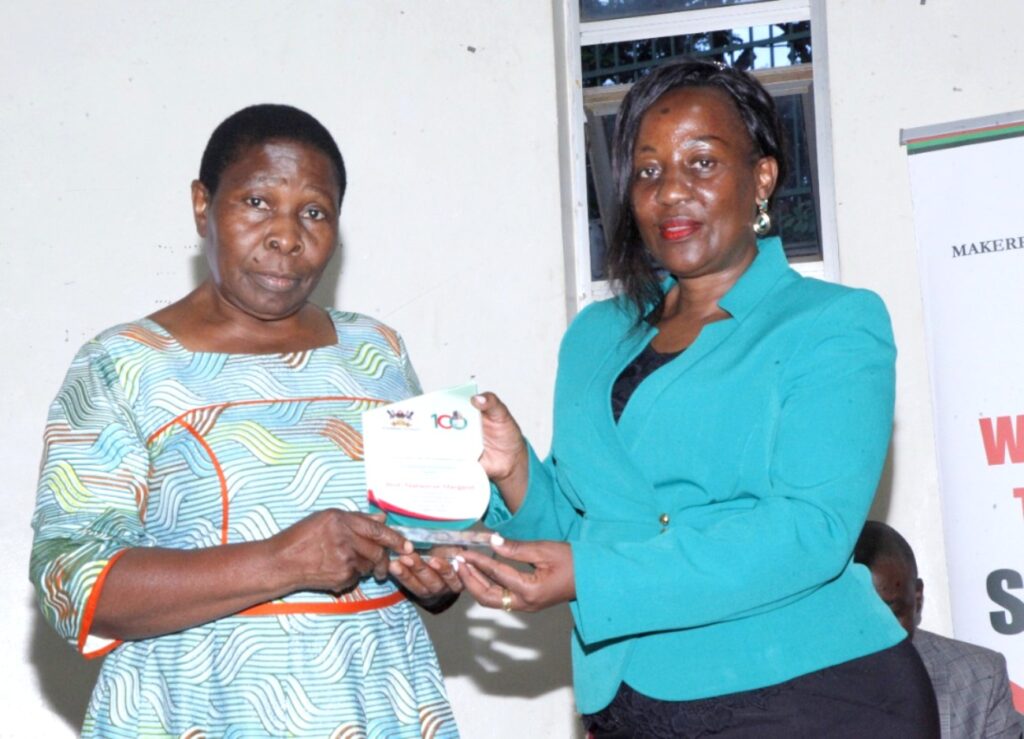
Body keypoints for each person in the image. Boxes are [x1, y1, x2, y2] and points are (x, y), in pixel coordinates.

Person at [455, 60, 939, 736]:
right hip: (629, 704)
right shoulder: (595, 336)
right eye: (648, 171)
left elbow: (809, 532)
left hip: (807, 694)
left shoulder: (832, 323)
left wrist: (590, 573)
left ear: (761, 177)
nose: (670, 192)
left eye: (702, 163)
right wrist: (515, 473)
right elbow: (584, 531)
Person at [29, 104, 461, 738]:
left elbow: (429, 532)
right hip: (195, 707)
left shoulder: (378, 351)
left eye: (314, 212)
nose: (286, 236)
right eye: (257, 202)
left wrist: (437, 572)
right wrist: (285, 560)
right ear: (203, 205)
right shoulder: (123, 365)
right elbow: (69, 577)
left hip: (377, 701)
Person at [855, 520, 1023, 739]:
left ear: (917, 597)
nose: (875, 634)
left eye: (891, 614)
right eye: (859, 618)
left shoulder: (980, 677)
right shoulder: (803, 681)